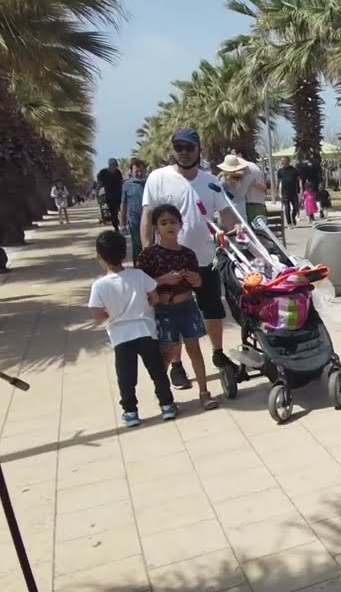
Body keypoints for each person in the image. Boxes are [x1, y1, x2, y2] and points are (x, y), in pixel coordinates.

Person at [138, 128, 240, 391]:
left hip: (205, 260)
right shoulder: (158, 178)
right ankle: (176, 365)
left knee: (212, 309)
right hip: (168, 263)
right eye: (179, 147)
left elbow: (227, 213)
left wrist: (232, 230)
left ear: (198, 150)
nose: (183, 152)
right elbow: (147, 216)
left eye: (189, 147)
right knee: (173, 313)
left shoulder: (210, 181)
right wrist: (148, 252)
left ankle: (218, 352)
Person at [88, 230, 178, 427]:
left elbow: (96, 313)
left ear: (99, 257)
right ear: (124, 253)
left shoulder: (99, 286)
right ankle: (167, 405)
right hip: (146, 330)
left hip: (120, 336)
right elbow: (154, 297)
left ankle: (130, 411)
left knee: (126, 376)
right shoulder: (138, 275)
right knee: (157, 370)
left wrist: (111, 314)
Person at [137, 205, 219, 410]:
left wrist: (196, 279)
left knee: (195, 350)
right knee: (165, 354)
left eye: (173, 222)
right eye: (164, 223)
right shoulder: (148, 255)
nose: (169, 226)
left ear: (181, 225)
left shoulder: (188, 254)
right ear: (156, 228)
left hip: (187, 306)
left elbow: (198, 284)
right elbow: (140, 285)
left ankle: (204, 392)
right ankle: (165, 397)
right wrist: (162, 280)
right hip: (164, 310)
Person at [120, 159, 148, 263]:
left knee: (149, 243)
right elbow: (123, 204)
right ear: (132, 172)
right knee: (137, 244)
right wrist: (122, 224)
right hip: (134, 220)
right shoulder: (127, 185)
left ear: (145, 170)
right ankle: (138, 267)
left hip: (149, 219)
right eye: (136, 171)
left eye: (141, 170)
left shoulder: (149, 183)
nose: (139, 173)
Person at [232, 149, 269, 223]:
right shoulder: (254, 165)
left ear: (239, 155)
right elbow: (263, 186)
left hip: (249, 205)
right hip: (260, 204)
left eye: (233, 155)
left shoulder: (242, 167)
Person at [216, 153, 253, 222]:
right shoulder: (247, 178)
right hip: (241, 211)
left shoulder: (223, 180)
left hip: (227, 211)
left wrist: (222, 174)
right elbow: (249, 174)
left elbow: (215, 187)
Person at [96, 158, 124, 231]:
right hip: (109, 196)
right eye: (112, 165)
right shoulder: (103, 172)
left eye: (115, 165)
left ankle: (122, 225)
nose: (114, 167)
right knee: (113, 213)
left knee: (121, 211)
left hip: (119, 195)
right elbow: (99, 182)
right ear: (109, 165)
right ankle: (116, 227)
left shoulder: (118, 172)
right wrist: (98, 191)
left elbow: (121, 183)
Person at [277, 157, 301, 226]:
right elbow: (278, 181)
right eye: (281, 161)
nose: (282, 162)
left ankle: (293, 217)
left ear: (288, 161)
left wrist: (299, 188)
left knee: (296, 207)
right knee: (287, 207)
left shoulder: (294, 170)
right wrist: (276, 191)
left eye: (284, 161)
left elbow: (298, 179)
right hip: (285, 192)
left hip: (293, 191)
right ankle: (289, 223)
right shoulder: (280, 171)